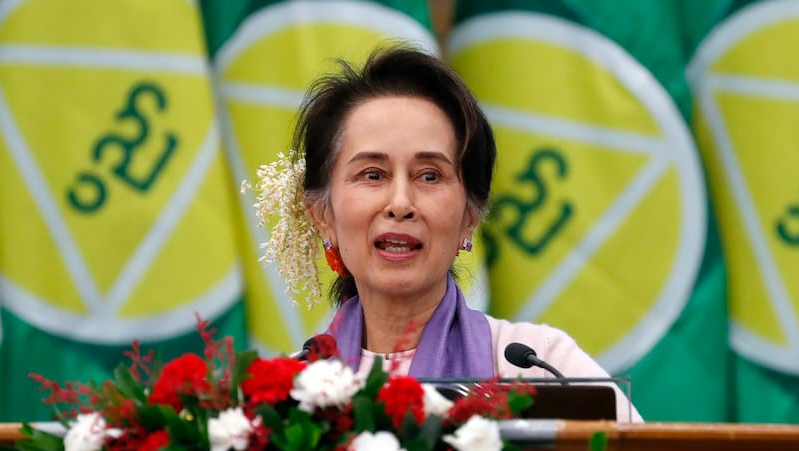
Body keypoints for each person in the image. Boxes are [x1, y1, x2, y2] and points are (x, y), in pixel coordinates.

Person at [252, 45, 642, 422]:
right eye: (372, 174)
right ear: (322, 214)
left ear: (470, 217)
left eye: (429, 176)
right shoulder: (288, 396)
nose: (400, 203)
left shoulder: (535, 365)